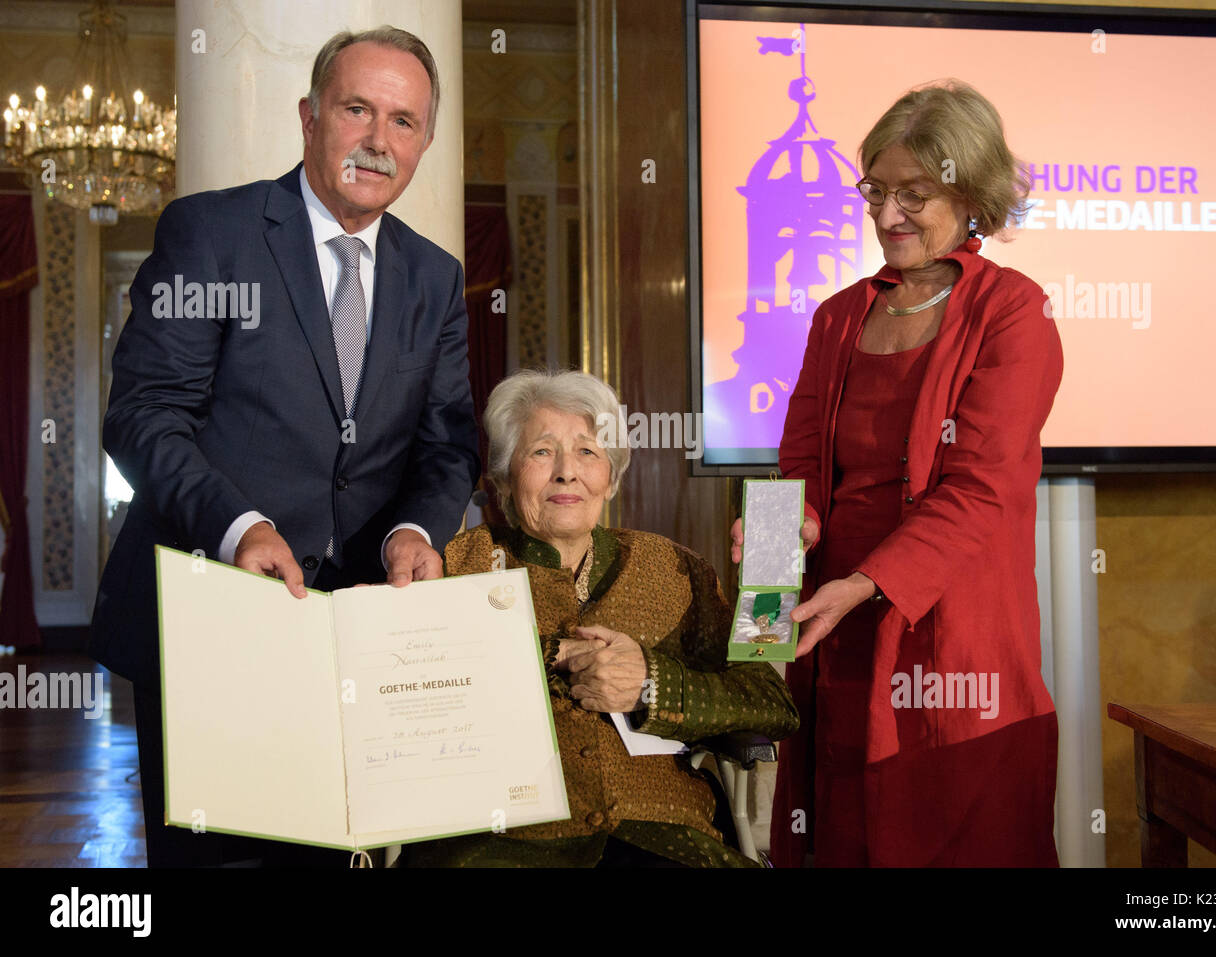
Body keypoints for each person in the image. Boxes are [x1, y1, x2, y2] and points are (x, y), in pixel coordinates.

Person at [91, 27, 479, 867]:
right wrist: (238, 526)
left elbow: (447, 443)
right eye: (357, 110)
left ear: (425, 142)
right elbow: (146, 415)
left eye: (405, 122)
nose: (380, 140)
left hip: (363, 633)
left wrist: (415, 532)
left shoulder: (437, 277)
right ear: (309, 118)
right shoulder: (212, 233)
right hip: (213, 625)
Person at [733, 81, 1063, 867]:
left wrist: (868, 584)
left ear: (972, 192)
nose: (886, 217)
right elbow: (801, 468)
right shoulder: (838, 315)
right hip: (835, 630)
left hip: (953, 643)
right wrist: (774, 562)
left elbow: (982, 489)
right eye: (875, 191)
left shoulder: (1015, 313)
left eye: (913, 195)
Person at [401, 370, 799, 867]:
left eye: (588, 452)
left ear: (610, 478)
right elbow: (408, 696)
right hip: (501, 838)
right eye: (542, 451)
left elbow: (771, 701)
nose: (567, 472)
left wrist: (652, 686)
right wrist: (546, 655)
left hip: (664, 834)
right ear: (502, 478)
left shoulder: (676, 569)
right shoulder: (458, 565)